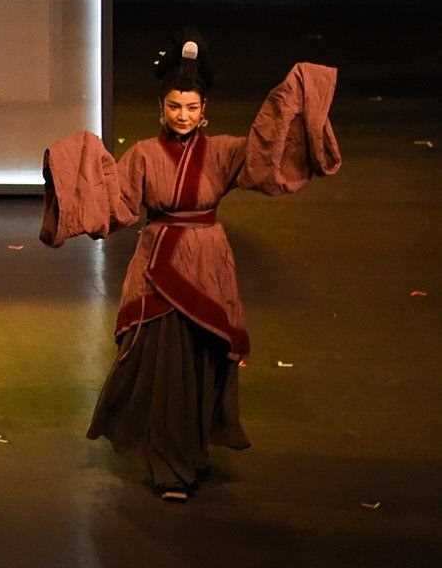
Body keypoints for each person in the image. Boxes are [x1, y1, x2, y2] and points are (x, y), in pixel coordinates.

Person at [42, 36, 339, 502]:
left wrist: (295, 99)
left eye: (191, 107)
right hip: (157, 264)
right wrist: (72, 166)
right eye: (175, 106)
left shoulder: (223, 151)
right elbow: (117, 202)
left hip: (207, 261)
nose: (183, 115)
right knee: (162, 365)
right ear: (162, 108)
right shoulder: (143, 154)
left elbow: (267, 156)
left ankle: (193, 450)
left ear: (205, 110)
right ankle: (169, 467)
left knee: (203, 361)